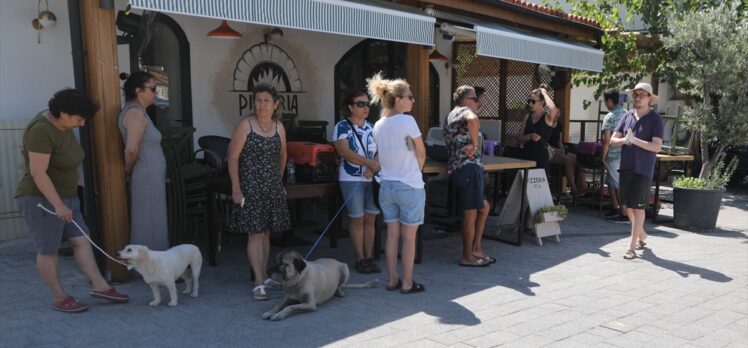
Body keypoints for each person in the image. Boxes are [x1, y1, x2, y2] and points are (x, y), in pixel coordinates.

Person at [15, 89, 129, 313]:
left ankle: (100, 286)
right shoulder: (41, 131)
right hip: (42, 200)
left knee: (81, 240)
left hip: (67, 196)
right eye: (79, 119)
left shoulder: (62, 124)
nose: (82, 124)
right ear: (64, 113)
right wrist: (58, 205)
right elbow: (38, 172)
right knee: (49, 250)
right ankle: (59, 297)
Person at [227, 83, 292, 300]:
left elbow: (283, 155)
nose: (261, 104)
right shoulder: (245, 125)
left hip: (272, 186)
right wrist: (236, 188)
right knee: (255, 233)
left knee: (266, 233)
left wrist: (279, 180)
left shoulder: (279, 127)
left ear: (276, 104)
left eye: (266, 100)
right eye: (258, 100)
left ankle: (263, 275)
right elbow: (233, 157)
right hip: (251, 187)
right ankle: (257, 282)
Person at [367, 73, 426, 294]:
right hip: (409, 185)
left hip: (387, 186)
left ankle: (392, 279)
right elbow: (421, 152)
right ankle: (408, 282)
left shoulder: (379, 124)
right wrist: (415, 172)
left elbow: (380, 156)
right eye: (409, 96)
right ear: (398, 99)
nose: (413, 100)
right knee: (409, 237)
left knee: (391, 235)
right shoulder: (407, 121)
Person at [610, 82, 663, 260]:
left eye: (642, 94)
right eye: (635, 94)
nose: (637, 97)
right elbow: (612, 140)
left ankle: (631, 247)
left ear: (649, 98)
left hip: (643, 170)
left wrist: (635, 140)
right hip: (626, 167)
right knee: (627, 207)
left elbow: (656, 146)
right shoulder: (626, 117)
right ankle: (641, 234)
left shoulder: (655, 119)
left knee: (638, 207)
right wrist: (625, 139)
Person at [117, 71, 169, 251]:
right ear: (139, 91)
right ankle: (151, 263)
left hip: (150, 172)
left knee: (153, 216)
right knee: (150, 218)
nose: (156, 93)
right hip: (145, 171)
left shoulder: (139, 111)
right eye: (153, 89)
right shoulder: (135, 113)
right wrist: (127, 169)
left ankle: (155, 262)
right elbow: (132, 148)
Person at [443, 86, 493, 267]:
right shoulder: (464, 111)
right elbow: (472, 120)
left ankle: (476, 249)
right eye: (474, 98)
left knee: (484, 207)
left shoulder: (451, 114)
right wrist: (474, 142)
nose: (477, 102)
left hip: (465, 169)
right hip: (467, 168)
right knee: (470, 213)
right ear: (464, 100)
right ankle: (467, 256)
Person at [333, 91, 382, 274]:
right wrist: (368, 163)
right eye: (360, 104)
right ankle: (359, 258)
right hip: (351, 178)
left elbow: (380, 150)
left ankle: (369, 258)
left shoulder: (373, 127)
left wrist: (374, 165)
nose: (365, 108)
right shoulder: (342, 126)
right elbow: (344, 152)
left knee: (371, 218)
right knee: (357, 219)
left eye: (367, 104)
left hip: (372, 178)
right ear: (350, 107)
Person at [600, 89, 629, 223]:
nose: (605, 104)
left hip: (613, 154)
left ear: (610, 100)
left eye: (606, 101)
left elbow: (607, 140)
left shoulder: (609, 116)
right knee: (614, 182)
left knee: (616, 184)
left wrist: (603, 156)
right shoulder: (627, 114)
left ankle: (623, 213)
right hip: (627, 154)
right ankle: (615, 209)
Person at [518, 84, 559, 173]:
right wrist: (529, 136)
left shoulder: (547, 117)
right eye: (529, 101)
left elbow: (553, 110)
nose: (530, 104)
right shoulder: (527, 117)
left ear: (542, 102)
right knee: (525, 185)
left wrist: (544, 93)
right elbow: (519, 138)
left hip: (541, 158)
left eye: (533, 101)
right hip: (527, 156)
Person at [548, 118, 587, 196]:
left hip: (558, 149)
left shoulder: (559, 125)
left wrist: (562, 148)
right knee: (568, 160)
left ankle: (582, 186)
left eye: (558, 113)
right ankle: (573, 188)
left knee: (577, 158)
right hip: (549, 151)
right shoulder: (546, 124)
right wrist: (556, 149)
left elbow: (559, 140)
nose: (557, 114)